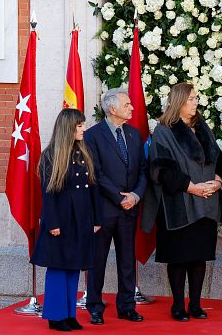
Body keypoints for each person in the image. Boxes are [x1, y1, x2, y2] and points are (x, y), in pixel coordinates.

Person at [141, 83, 222, 321]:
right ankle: (178, 305)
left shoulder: (203, 128)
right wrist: (192, 188)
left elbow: (219, 159)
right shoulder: (164, 130)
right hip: (177, 204)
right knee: (179, 257)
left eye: (196, 98)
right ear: (178, 102)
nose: (195, 102)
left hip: (206, 203)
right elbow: (161, 169)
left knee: (199, 257)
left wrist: (218, 181)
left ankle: (196, 305)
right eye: (191, 99)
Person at [31, 109, 101, 332]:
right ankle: (55, 316)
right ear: (68, 128)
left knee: (73, 267)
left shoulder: (82, 152)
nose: (83, 129)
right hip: (61, 220)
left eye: (83, 125)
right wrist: (52, 223)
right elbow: (48, 193)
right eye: (79, 125)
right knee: (59, 268)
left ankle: (69, 314)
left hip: (81, 219)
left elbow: (93, 189)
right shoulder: (52, 155)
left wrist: (96, 218)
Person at [84, 87, 148, 325]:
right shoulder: (92, 135)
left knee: (127, 259)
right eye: (127, 105)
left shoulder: (133, 134)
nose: (132, 108)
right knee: (97, 260)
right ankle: (95, 306)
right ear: (112, 108)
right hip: (104, 209)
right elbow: (96, 172)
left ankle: (127, 306)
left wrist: (135, 196)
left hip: (130, 209)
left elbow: (143, 169)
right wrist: (119, 197)